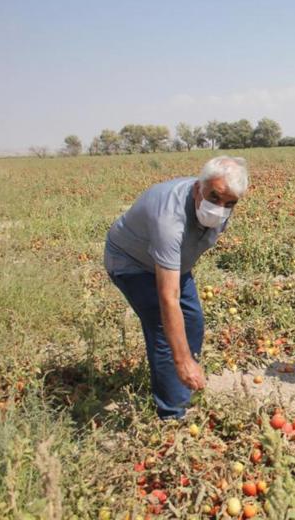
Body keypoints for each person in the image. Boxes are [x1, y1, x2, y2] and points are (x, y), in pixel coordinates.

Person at [104, 156, 249, 419]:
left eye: (229, 203)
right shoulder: (169, 219)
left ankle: (184, 386)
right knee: (163, 328)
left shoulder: (222, 208)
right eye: (214, 198)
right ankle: (172, 414)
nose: (220, 208)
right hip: (131, 262)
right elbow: (168, 298)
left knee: (192, 321)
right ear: (198, 188)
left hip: (172, 264)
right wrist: (181, 360)